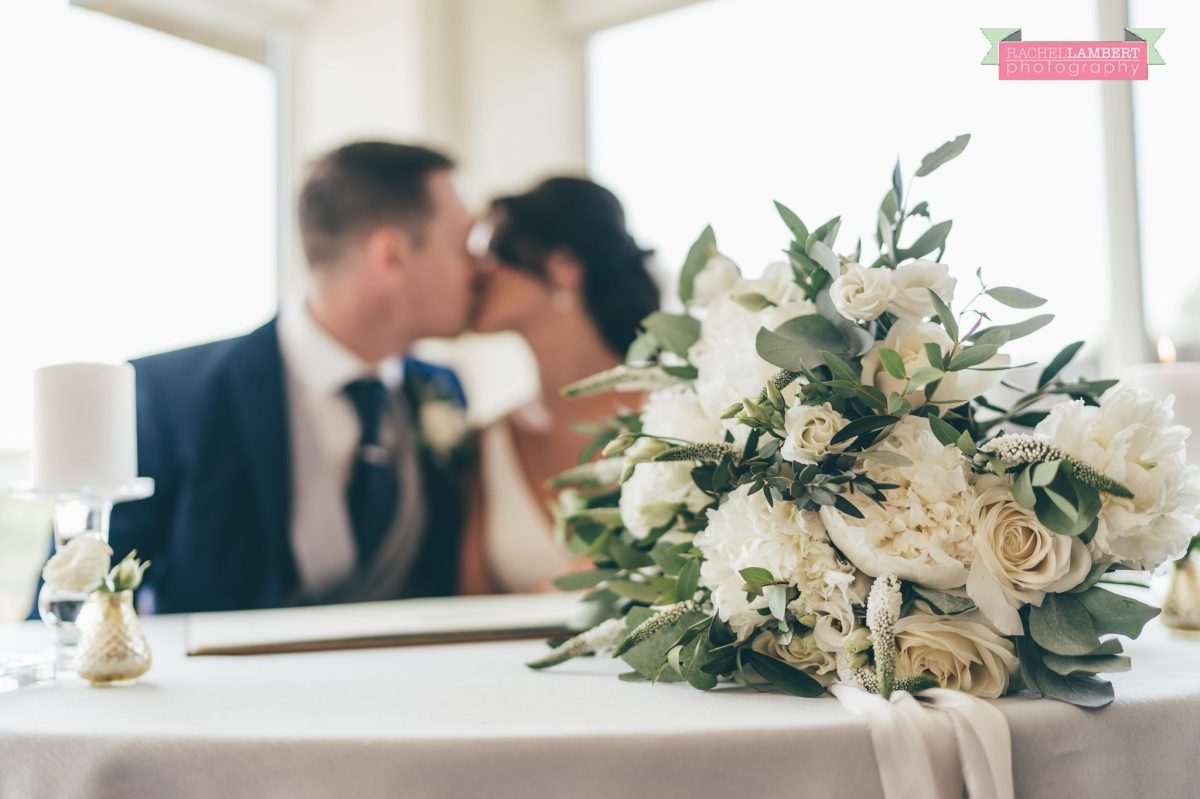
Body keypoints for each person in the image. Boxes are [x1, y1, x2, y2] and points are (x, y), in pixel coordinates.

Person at [108, 142, 478, 613]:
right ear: (392, 255)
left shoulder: (443, 389)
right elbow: (83, 596)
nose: (481, 269)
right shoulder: (168, 395)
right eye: (465, 246)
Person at [459, 177, 660, 593]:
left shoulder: (678, 412)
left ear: (562, 267)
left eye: (496, 252)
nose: (477, 270)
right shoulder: (489, 441)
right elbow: (471, 610)